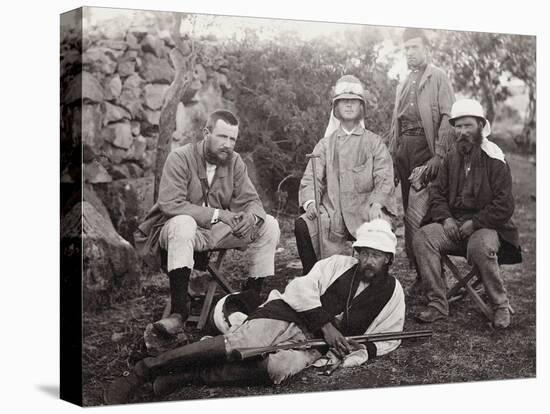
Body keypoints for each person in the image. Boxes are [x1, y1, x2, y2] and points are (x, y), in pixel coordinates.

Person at [105, 219, 405, 404]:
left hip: (315, 346)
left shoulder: (393, 294)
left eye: (376, 255)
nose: (368, 260)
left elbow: (388, 337)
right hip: (286, 315)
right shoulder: (337, 265)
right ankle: (143, 371)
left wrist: (353, 351)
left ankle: (183, 378)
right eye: (364, 252)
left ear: (388, 259)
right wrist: (326, 324)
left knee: (277, 369)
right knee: (240, 344)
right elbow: (300, 288)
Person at [134, 109, 280, 334]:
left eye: (232, 139)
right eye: (222, 137)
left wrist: (251, 218)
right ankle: (178, 313)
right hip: (175, 229)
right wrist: (220, 214)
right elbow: (170, 204)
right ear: (206, 133)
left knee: (269, 224)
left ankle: (251, 298)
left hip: (213, 232)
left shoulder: (235, 161)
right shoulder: (180, 157)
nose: (228, 145)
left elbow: (252, 201)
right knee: (183, 222)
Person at [413, 99, 521, 328]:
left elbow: (504, 205)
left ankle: (500, 305)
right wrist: (446, 218)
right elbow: (437, 194)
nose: (463, 132)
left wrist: (476, 222)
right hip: (453, 225)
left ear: (481, 126)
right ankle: (438, 305)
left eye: (468, 126)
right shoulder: (451, 157)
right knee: (423, 237)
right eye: (458, 126)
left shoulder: (495, 159)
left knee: (480, 246)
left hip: (487, 228)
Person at [295, 75, 396, 275]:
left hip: (366, 209)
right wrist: (311, 202)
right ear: (335, 108)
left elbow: (385, 178)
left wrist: (377, 203)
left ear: (362, 108)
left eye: (354, 101)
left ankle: (375, 281)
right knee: (303, 224)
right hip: (333, 211)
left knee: (380, 227)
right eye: (343, 101)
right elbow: (311, 177)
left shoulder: (374, 142)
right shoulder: (325, 144)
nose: (349, 105)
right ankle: (313, 279)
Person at [388, 27, 455, 270]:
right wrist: (393, 157)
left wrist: (439, 153)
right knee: (408, 212)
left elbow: (449, 116)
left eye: (415, 47)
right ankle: (418, 270)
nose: (410, 52)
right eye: (407, 48)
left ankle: (432, 273)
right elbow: (396, 124)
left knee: (424, 213)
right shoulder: (403, 83)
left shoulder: (437, 77)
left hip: (426, 151)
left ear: (426, 48)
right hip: (404, 150)